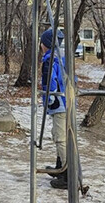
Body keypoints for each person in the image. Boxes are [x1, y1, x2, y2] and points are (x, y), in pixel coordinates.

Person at [39, 28, 70, 190]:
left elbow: (49, 81)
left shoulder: (49, 60)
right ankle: (60, 167)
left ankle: (66, 174)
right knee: (59, 135)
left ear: (46, 44)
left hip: (59, 104)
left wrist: (49, 98)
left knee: (60, 138)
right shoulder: (62, 58)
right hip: (66, 102)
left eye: (42, 43)